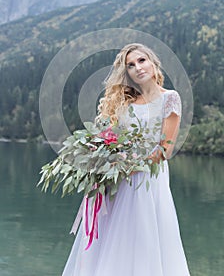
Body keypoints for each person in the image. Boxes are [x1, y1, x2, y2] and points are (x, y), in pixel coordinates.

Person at [62, 43, 191, 276]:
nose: (138, 68)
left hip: (147, 177)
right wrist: (101, 159)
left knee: (143, 235)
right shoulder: (124, 102)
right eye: (130, 65)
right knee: (113, 236)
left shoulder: (170, 98)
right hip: (117, 178)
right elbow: (109, 138)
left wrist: (131, 167)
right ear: (127, 73)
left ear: (153, 62)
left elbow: (165, 150)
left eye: (142, 61)